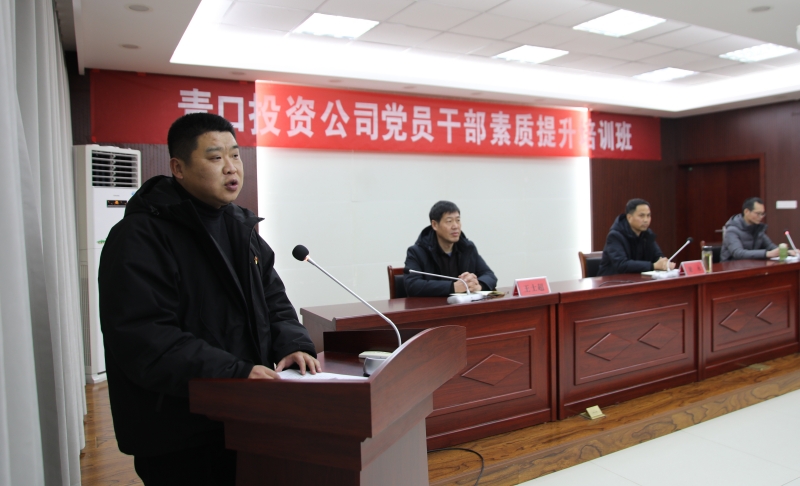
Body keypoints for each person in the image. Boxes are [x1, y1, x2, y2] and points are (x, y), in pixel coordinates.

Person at [98, 113, 320, 486]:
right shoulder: (139, 237)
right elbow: (144, 337)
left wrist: (293, 343)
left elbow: (274, 302)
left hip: (243, 415)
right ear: (178, 168)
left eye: (235, 155)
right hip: (178, 431)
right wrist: (235, 373)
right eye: (216, 157)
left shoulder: (241, 228)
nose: (231, 168)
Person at [404, 200, 497, 296]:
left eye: (458, 220)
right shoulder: (417, 252)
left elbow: (489, 275)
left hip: (464, 304)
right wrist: (453, 287)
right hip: (434, 305)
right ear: (435, 225)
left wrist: (477, 286)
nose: (455, 226)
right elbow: (412, 285)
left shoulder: (467, 248)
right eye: (449, 221)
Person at [597, 198, 675, 276]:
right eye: (641, 216)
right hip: (612, 280)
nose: (646, 220)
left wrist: (664, 263)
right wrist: (653, 266)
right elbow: (621, 264)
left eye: (648, 215)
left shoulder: (647, 234)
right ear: (629, 217)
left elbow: (658, 256)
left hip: (638, 279)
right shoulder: (615, 236)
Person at [721, 197, 794, 261]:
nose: (761, 217)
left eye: (762, 214)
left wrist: (787, 252)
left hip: (751, 265)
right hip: (731, 268)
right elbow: (738, 253)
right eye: (758, 213)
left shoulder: (758, 229)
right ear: (746, 211)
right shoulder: (732, 230)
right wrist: (767, 254)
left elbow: (771, 247)